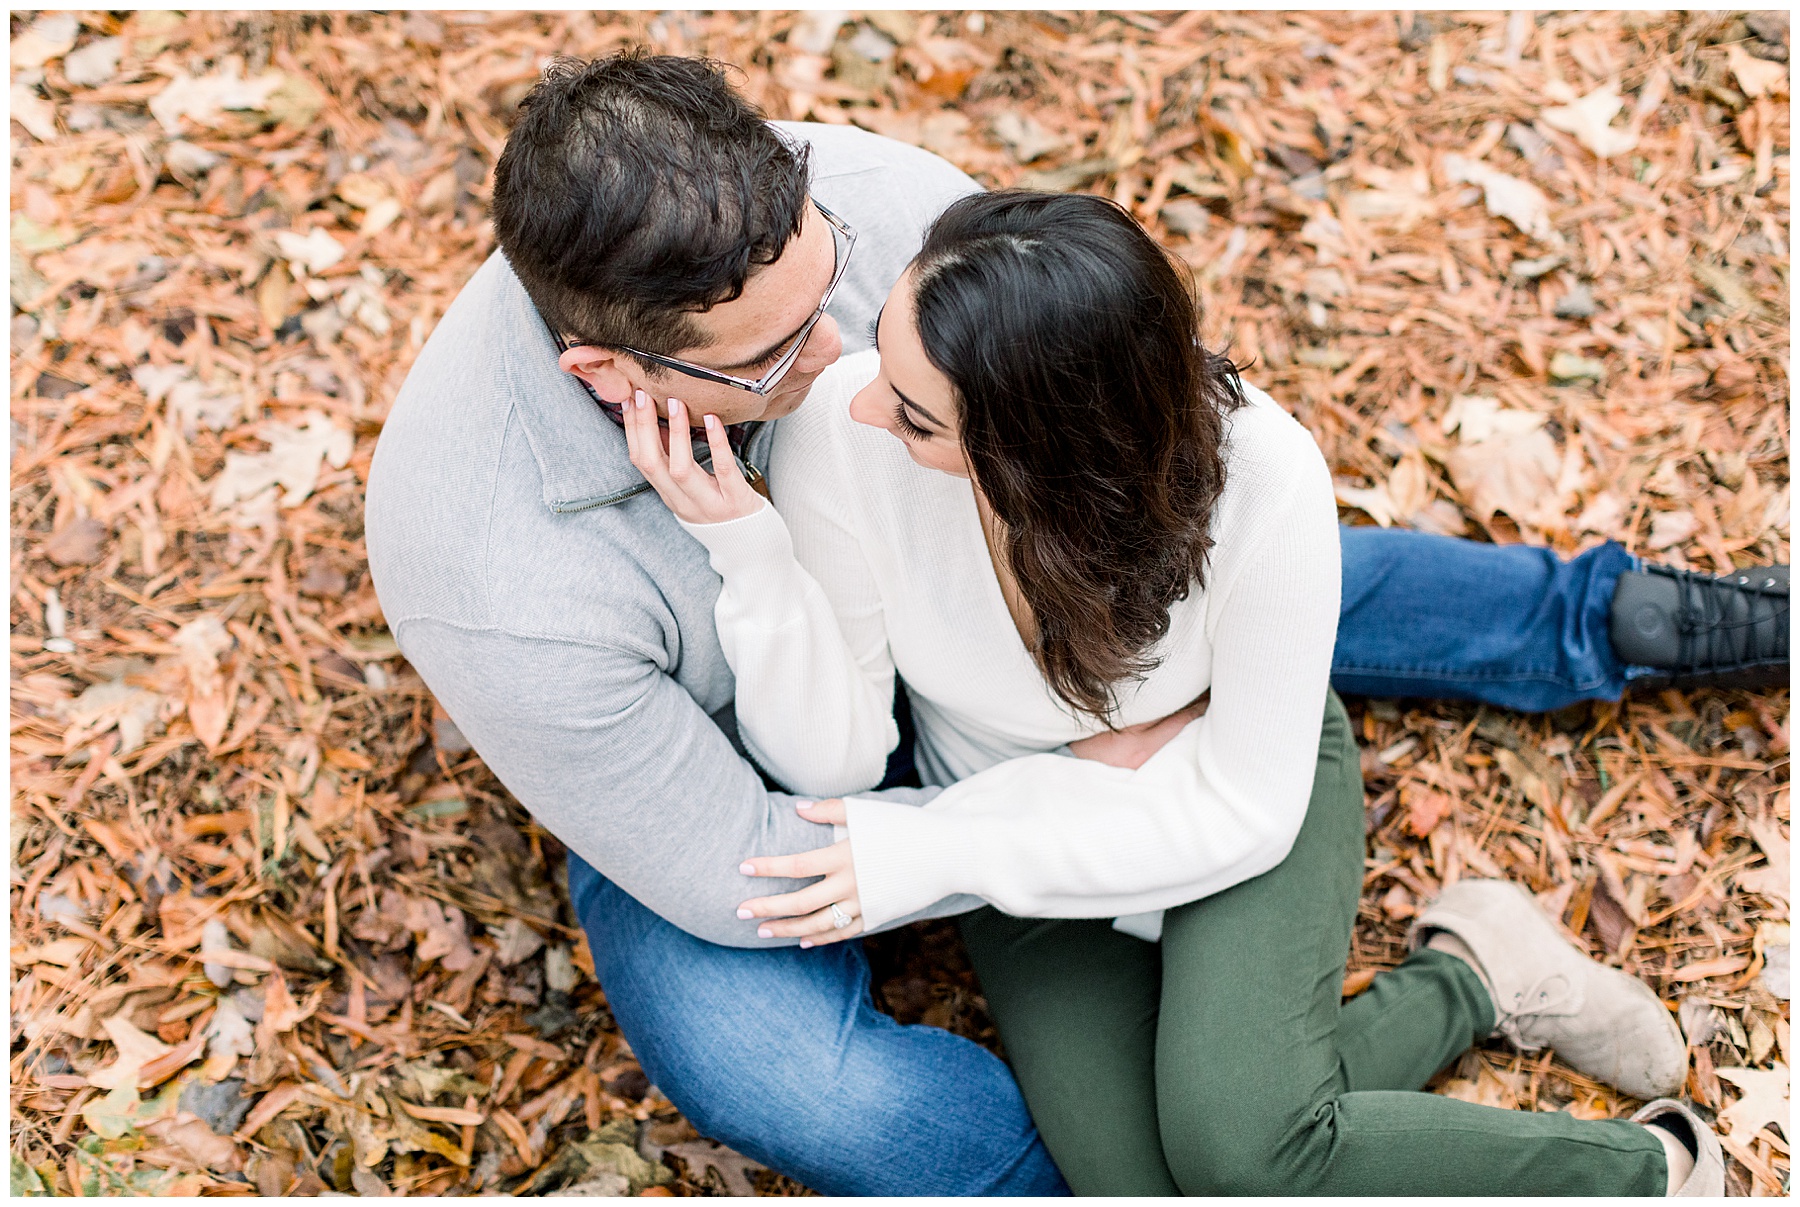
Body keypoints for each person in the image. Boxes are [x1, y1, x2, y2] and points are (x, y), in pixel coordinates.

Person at [365, 53, 1779, 1193]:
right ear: (615, 370)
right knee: (802, 1082)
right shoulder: (504, 560)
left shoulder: (880, 247)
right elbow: (792, 819)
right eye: (783, 352)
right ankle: (1351, 1049)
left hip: (1138, 716)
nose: (844, 360)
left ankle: (1607, 637)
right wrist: (759, 556)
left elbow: (1116, 418)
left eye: (844, 282)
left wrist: (1005, 794)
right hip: (767, 780)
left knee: (1243, 1125)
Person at [628, 187, 1726, 1196]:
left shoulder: (1266, 479)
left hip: (1226, 794)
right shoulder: (843, 438)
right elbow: (839, 762)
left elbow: (1248, 807)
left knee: (1245, 1158)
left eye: (917, 416)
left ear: (1038, 456)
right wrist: (752, 559)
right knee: (1149, 1187)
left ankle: (1656, 1170)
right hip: (1015, 833)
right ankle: (1474, 975)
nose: (863, 408)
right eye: (889, 362)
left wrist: (946, 846)